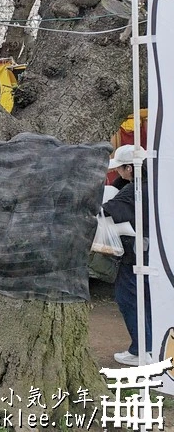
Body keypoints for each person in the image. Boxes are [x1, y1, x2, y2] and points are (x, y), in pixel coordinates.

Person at [103, 144, 152, 366]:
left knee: (129, 298)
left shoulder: (135, 190)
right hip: (153, 251)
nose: (117, 173)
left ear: (130, 169)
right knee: (148, 300)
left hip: (136, 254)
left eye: (120, 169)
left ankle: (141, 351)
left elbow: (108, 210)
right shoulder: (151, 183)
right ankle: (150, 346)